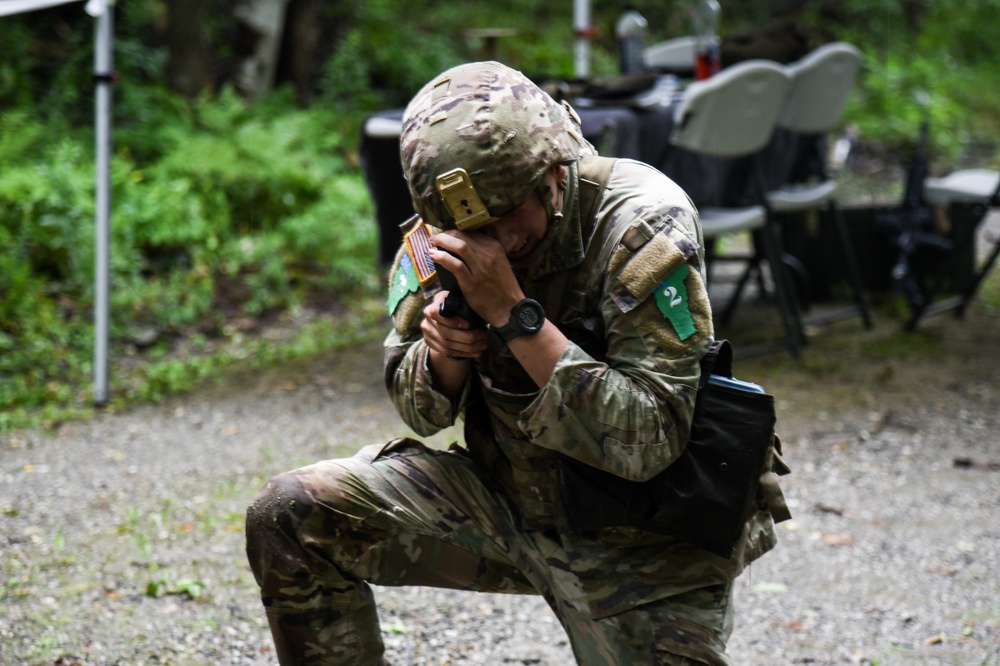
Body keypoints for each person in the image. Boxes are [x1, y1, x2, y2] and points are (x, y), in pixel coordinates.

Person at [245, 60, 780, 665]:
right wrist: (443, 356)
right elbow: (417, 408)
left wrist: (513, 313)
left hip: (643, 540)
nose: (492, 242)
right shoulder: (439, 231)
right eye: (472, 227)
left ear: (553, 173)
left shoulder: (641, 224)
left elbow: (650, 437)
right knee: (290, 515)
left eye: (507, 219)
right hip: (508, 503)